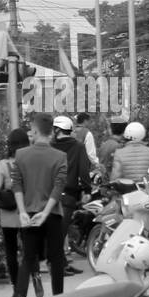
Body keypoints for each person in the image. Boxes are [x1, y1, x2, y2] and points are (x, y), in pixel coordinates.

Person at [12, 113, 69, 297]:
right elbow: (58, 187)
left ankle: (20, 296)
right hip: (52, 214)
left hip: (28, 213)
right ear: (52, 132)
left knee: (28, 257)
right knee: (57, 257)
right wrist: (45, 213)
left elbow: (17, 184)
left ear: (35, 131)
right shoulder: (60, 156)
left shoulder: (21, 155)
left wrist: (22, 212)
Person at [0, 128, 38, 297]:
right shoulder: (31, 161)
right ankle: (35, 276)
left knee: (11, 251)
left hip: (8, 215)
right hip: (28, 212)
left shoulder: (3, 164)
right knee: (30, 249)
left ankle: (17, 287)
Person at [50, 114, 91, 275]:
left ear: (57, 129)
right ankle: (58, 266)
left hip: (51, 192)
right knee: (61, 230)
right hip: (69, 194)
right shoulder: (79, 147)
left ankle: (62, 264)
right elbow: (84, 171)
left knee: (58, 231)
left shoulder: (50, 146)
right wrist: (87, 190)